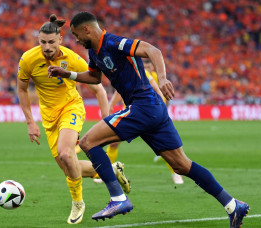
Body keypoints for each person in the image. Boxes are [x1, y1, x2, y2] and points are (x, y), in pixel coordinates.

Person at [48, 11, 249, 228]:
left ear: (87, 29)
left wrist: (162, 78)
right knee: (182, 165)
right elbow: (95, 77)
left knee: (88, 142)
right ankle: (232, 205)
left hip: (143, 106)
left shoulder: (114, 42)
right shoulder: (95, 54)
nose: (76, 40)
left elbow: (153, 50)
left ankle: (118, 198)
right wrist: (67, 74)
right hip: (153, 110)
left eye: (77, 34)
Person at [16, 14, 130, 225]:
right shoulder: (28, 60)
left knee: (66, 154)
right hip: (49, 118)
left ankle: (78, 203)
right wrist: (30, 122)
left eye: (51, 42)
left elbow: (99, 89)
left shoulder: (73, 59)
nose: (47, 46)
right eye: (42, 42)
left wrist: (106, 119)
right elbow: (22, 89)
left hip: (71, 108)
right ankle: (111, 169)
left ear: (60, 39)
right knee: (69, 165)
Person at [144, 59, 184, 185]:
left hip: (154, 112)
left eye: (148, 65)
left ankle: (176, 174)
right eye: (144, 65)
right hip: (138, 112)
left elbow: (163, 93)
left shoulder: (155, 77)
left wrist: (162, 109)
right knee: (114, 143)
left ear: (152, 67)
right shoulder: (139, 74)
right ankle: (101, 174)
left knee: (164, 145)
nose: (146, 67)